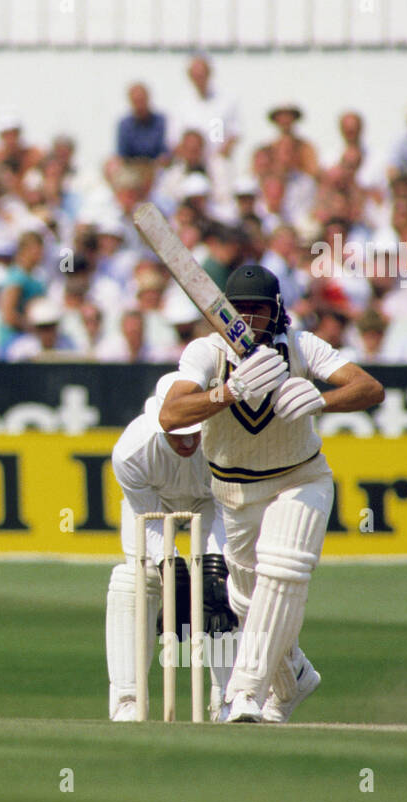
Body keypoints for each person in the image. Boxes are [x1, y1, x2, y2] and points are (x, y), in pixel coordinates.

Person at [160, 265, 384, 723]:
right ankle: (293, 676)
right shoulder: (207, 351)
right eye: (238, 309)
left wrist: (322, 401)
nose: (247, 318)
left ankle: (244, 693)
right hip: (234, 492)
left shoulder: (302, 345)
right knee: (248, 600)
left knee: (284, 570)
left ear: (276, 308)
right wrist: (228, 392)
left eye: (257, 309)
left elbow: (369, 388)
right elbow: (171, 415)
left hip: (300, 479)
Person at [107, 374, 237, 722]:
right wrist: (171, 566)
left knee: (222, 587)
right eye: (178, 435)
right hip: (156, 504)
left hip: (214, 503)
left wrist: (213, 566)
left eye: (194, 432)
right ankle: (127, 701)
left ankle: (229, 700)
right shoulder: (131, 451)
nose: (187, 442)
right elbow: (147, 518)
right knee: (135, 579)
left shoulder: (226, 439)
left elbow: (230, 505)